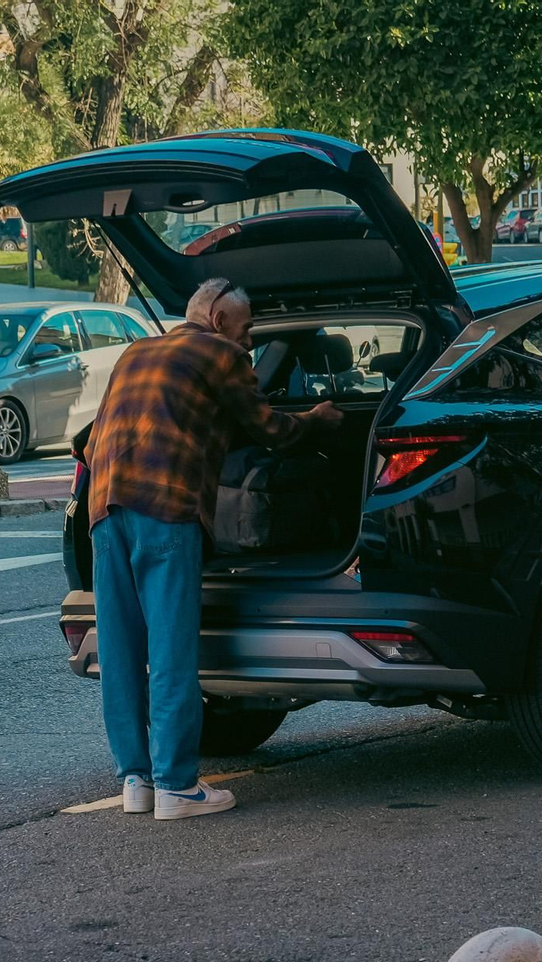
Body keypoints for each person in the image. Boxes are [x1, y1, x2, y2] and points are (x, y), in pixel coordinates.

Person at [79, 278, 342, 820]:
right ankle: (177, 786)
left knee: (122, 651)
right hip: (166, 508)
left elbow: (86, 442)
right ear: (220, 321)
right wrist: (316, 422)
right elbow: (269, 428)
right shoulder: (221, 353)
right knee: (171, 649)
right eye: (248, 329)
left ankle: (136, 781)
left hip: (105, 510)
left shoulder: (136, 353)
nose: (250, 342)